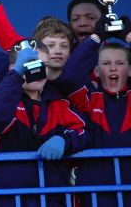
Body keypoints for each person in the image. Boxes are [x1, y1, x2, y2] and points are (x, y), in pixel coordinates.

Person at [0, 39, 88, 207]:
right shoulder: (1, 98)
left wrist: (63, 139)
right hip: (8, 199)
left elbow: (83, 131)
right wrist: (17, 74)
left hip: (53, 198)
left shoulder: (59, 102)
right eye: (29, 65)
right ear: (13, 68)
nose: (38, 71)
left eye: (44, 66)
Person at [57, 16, 131, 207]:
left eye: (120, 63)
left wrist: (130, 37)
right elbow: (69, 77)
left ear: (130, 70)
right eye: (106, 64)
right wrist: (95, 37)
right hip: (96, 195)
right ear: (96, 71)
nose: (113, 68)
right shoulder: (89, 98)